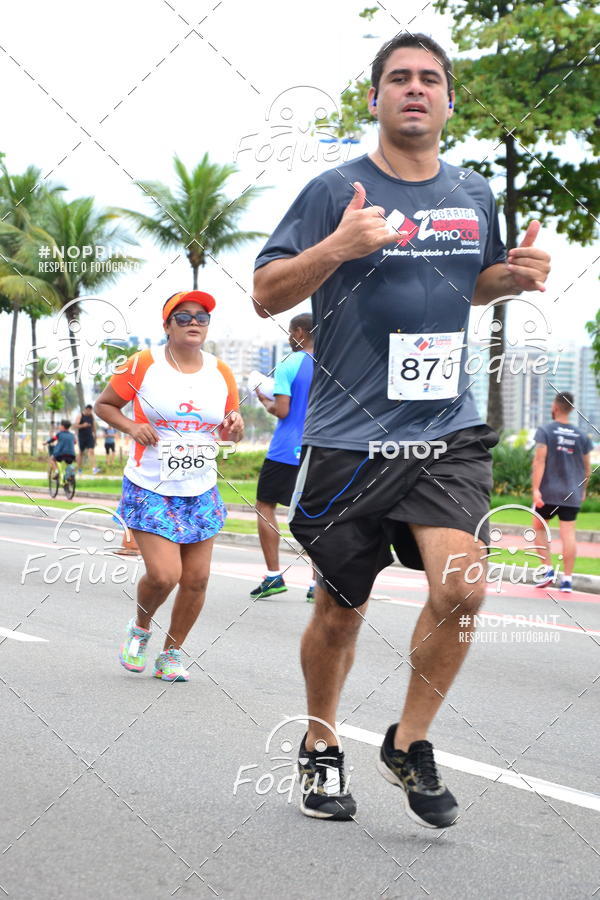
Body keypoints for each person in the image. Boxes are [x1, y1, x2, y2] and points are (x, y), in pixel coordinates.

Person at [253, 33, 550, 827]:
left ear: (449, 99)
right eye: (398, 78)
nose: (414, 88)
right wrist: (338, 246)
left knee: (464, 588)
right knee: (339, 610)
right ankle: (321, 743)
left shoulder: (473, 190)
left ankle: (408, 742)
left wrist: (512, 278)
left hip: (446, 430)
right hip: (350, 438)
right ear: (375, 98)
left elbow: (471, 283)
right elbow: (266, 293)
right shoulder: (333, 189)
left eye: (428, 79)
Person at [95, 290, 244, 682]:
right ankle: (140, 628)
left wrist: (235, 429)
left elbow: (229, 429)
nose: (194, 322)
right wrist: (132, 426)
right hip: (150, 484)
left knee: (196, 580)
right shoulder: (143, 363)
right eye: (184, 316)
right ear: (167, 325)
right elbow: (104, 405)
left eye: (202, 317)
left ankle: (171, 654)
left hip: (200, 486)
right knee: (164, 575)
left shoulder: (221, 371)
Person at [251, 313, 315, 600]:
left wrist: (264, 399)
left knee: (265, 505)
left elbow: (283, 410)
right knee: (316, 513)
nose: (289, 338)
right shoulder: (335, 363)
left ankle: (274, 576)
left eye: (291, 332)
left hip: (286, 449)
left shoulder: (290, 363)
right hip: (321, 450)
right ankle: (318, 584)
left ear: (300, 332)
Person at [532, 391, 592, 592]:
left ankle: (548, 570)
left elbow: (539, 460)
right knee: (569, 535)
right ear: (571, 409)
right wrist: (583, 490)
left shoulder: (545, 431)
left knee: (538, 528)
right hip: (572, 493)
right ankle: (567, 580)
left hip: (548, 493)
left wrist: (535, 490)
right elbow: (587, 468)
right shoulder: (582, 436)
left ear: (555, 407)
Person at [74, 404, 98, 473]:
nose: (89, 412)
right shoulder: (80, 415)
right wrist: (83, 425)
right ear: (86, 409)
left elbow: (94, 427)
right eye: (88, 410)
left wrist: (95, 436)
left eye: (91, 411)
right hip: (82, 436)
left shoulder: (91, 416)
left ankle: (94, 469)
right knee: (81, 453)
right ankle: (79, 469)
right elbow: (75, 425)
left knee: (91, 451)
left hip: (90, 436)